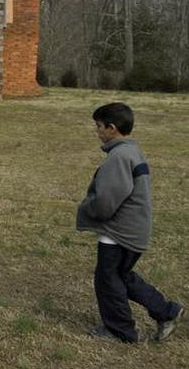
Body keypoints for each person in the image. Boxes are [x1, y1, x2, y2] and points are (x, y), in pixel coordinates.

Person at [77, 103, 183, 342]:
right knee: (119, 274)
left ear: (112, 128)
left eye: (99, 126)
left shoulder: (119, 157)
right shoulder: (132, 151)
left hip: (118, 232)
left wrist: (88, 208)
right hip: (134, 230)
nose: (97, 131)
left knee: (107, 279)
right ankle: (167, 312)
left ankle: (119, 330)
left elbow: (106, 201)